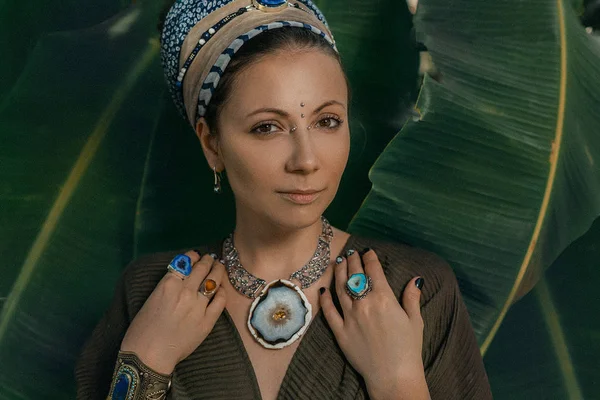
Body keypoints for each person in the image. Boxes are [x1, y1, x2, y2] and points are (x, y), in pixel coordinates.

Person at [75, 0, 493, 399]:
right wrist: (146, 362)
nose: (307, 160)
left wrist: (399, 384)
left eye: (327, 121)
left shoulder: (412, 292)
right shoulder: (151, 294)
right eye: (267, 128)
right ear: (211, 143)